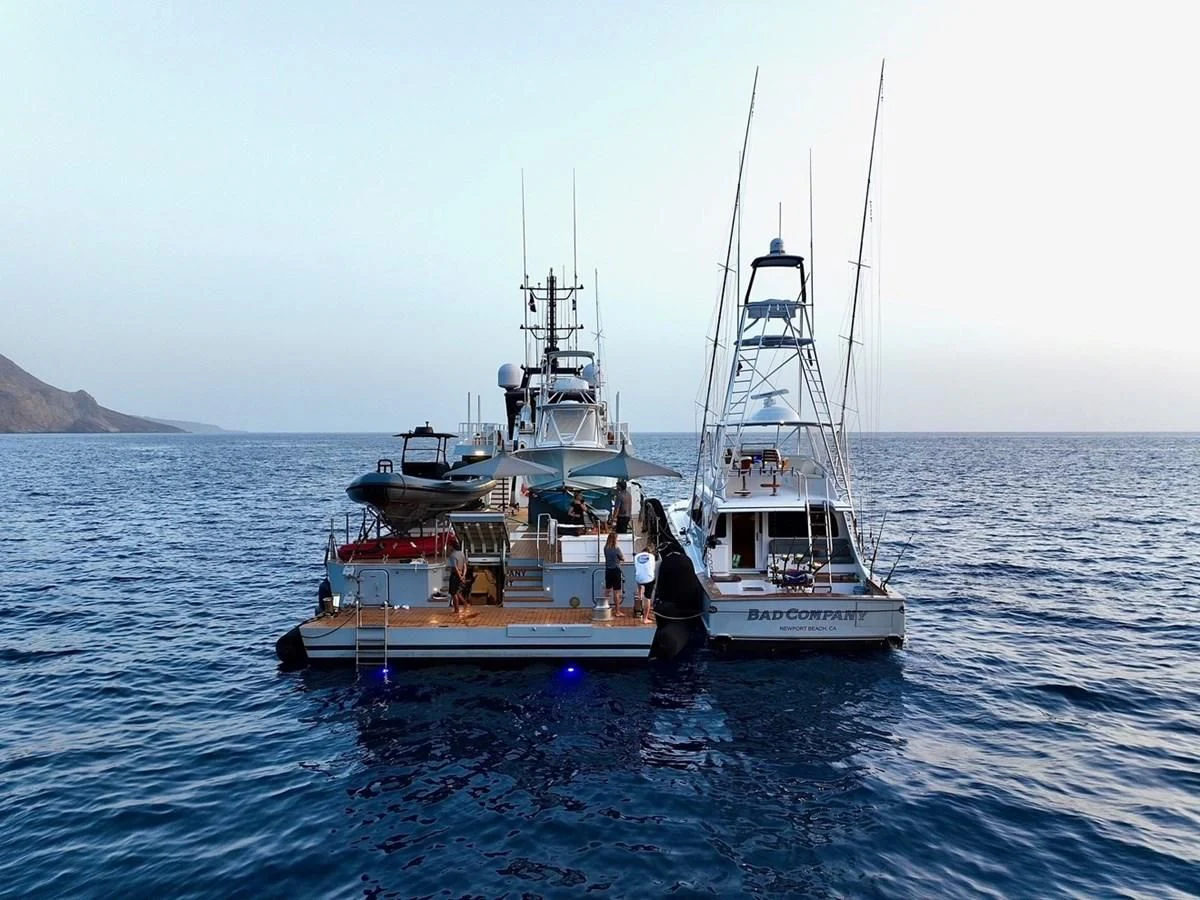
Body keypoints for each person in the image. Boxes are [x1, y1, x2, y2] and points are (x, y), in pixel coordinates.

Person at [634, 540, 657, 623]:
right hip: (649, 579)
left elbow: (637, 569)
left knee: (639, 575)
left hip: (639, 578)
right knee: (647, 597)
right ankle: (645, 618)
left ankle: (640, 593)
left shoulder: (637, 557)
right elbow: (652, 569)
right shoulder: (652, 556)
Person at [603, 530, 626, 617]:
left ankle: (604, 608)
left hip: (608, 570)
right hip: (616, 570)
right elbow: (622, 558)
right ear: (615, 540)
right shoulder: (617, 549)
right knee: (616, 592)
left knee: (607, 591)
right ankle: (617, 611)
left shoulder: (605, 548)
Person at [447, 537, 469, 616]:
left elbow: (455, 567)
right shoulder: (461, 553)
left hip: (455, 575)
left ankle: (457, 609)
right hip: (462, 573)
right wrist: (463, 575)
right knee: (458, 592)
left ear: (452, 546)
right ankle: (465, 603)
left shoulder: (452, 555)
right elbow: (465, 565)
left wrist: (459, 577)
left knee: (453, 592)